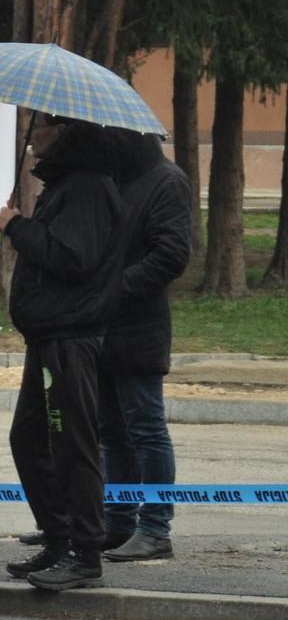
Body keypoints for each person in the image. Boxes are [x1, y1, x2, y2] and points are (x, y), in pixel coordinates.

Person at [0, 116, 123, 591]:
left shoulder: (88, 187)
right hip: (49, 334)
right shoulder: (66, 184)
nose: (34, 134)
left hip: (70, 335)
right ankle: (59, 537)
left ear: (67, 133)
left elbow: (72, 258)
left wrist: (16, 227)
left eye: (45, 125)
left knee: (72, 442)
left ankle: (85, 551)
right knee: (29, 439)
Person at [97, 130, 193, 563]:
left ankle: (155, 528)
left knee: (146, 430)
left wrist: (111, 289)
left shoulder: (166, 180)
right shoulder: (116, 179)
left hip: (139, 328)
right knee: (111, 433)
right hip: (103, 326)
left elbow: (171, 255)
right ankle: (118, 521)